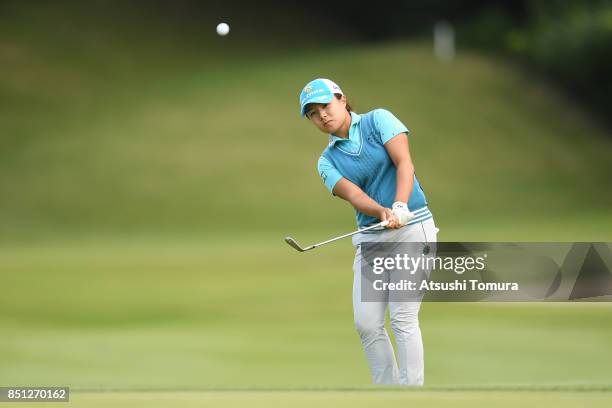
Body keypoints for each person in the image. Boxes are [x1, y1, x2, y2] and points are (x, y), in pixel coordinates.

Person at [298, 78, 439, 386]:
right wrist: (382, 212)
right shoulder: (327, 161)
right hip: (372, 238)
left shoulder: (379, 120)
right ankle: (387, 394)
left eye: (326, 105)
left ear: (342, 99)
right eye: (313, 113)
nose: (322, 115)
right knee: (366, 323)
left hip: (413, 229)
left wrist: (400, 205)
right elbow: (354, 196)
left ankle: (411, 396)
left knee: (402, 317)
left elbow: (404, 163)